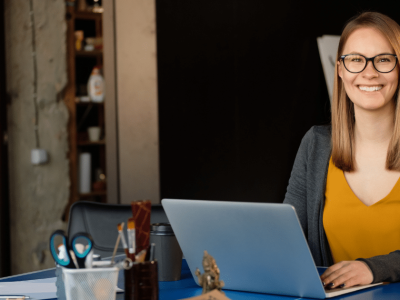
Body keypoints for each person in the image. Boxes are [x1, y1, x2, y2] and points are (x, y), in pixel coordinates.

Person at [284, 11, 400, 289]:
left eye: (383, 60)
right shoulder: (316, 144)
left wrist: (375, 268)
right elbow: (287, 239)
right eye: (355, 60)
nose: (368, 72)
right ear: (340, 69)